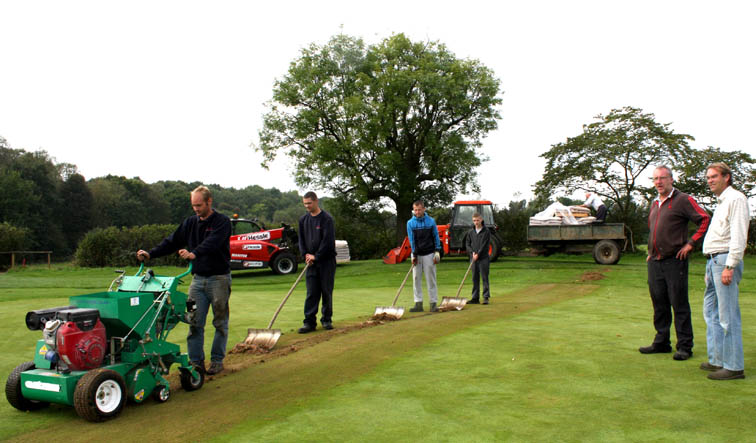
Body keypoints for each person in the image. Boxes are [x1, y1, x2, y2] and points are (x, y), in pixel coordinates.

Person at [136, 185, 231, 375]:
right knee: (193, 320)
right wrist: (150, 254)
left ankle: (217, 361)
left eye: (199, 205)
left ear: (209, 201)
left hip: (219, 279)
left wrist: (194, 253)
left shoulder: (222, 222)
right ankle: (196, 363)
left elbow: (213, 242)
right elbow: (171, 241)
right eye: (193, 205)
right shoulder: (189, 223)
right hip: (197, 282)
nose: (196, 209)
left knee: (220, 322)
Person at [641, 166, 710, 361]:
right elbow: (653, 229)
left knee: (678, 303)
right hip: (655, 261)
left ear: (671, 179)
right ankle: (662, 342)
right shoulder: (655, 203)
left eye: (663, 178)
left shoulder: (682, 200)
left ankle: (685, 346)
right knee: (659, 303)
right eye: (655, 178)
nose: (658, 182)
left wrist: (691, 244)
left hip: (675, 261)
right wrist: (650, 251)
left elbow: (704, 220)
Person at [701, 163, 749, 380]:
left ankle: (734, 366)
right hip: (713, 261)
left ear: (726, 177)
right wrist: (710, 267)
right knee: (711, 312)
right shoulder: (721, 202)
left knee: (727, 315)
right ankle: (718, 359)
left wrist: (730, 266)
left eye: (714, 176)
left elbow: (738, 236)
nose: (710, 180)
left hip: (724, 261)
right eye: (708, 177)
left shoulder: (736, 199)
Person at [297, 191, 337, 333]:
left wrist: (317, 256)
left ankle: (326, 319)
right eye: (305, 203)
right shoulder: (303, 220)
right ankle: (309, 322)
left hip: (326, 261)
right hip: (311, 263)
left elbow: (327, 242)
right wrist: (306, 255)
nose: (307, 206)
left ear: (316, 201)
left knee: (326, 291)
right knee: (312, 293)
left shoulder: (326, 219)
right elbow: (301, 240)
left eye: (309, 203)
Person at [407, 200, 441, 312]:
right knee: (416, 279)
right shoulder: (410, 223)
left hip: (429, 253)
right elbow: (412, 240)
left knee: (431, 279)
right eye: (415, 210)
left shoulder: (431, 221)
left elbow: (436, 236)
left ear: (424, 209)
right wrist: (414, 254)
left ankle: (433, 304)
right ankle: (418, 303)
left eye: (419, 209)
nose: (417, 212)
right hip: (417, 253)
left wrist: (437, 251)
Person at [465, 212, 491, 304]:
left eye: (477, 220)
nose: (476, 222)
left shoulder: (486, 231)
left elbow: (484, 245)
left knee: (484, 277)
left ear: (481, 220)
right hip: (473, 258)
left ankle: (486, 297)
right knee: (474, 277)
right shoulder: (471, 232)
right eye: (474, 220)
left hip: (483, 257)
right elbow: (467, 244)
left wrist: (478, 254)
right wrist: (472, 253)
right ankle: (475, 298)